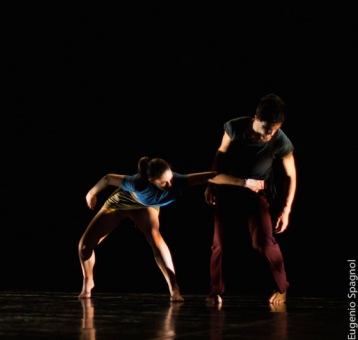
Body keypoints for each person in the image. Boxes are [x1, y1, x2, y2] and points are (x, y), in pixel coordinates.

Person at [78, 156, 263, 301]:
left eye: (171, 179)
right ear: (151, 180)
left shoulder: (177, 180)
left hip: (146, 207)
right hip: (121, 203)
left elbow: (212, 175)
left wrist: (245, 182)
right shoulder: (136, 182)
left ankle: (174, 288)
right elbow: (108, 178)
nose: (170, 185)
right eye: (164, 183)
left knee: (155, 237)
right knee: (84, 247)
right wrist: (91, 193)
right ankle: (88, 281)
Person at [204, 93, 297, 305]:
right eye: (267, 128)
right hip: (229, 188)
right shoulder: (235, 128)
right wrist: (211, 184)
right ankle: (215, 290)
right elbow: (220, 153)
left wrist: (286, 209)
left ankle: (282, 287)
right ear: (256, 118)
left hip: (256, 194)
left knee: (264, 243)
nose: (270, 133)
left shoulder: (280, 140)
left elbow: (291, 175)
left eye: (275, 129)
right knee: (220, 244)